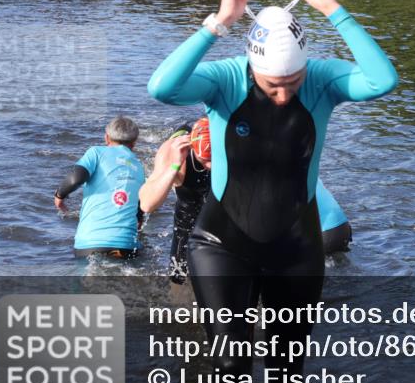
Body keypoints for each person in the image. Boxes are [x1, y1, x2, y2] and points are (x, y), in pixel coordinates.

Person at [147, 0, 397, 383]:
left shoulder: (322, 80)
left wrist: (332, 9)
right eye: (270, 85)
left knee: (288, 365)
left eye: (293, 82)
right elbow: (161, 87)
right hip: (221, 244)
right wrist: (219, 22)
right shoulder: (224, 81)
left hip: (295, 248)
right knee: (230, 362)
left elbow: (383, 80)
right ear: (251, 67)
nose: (283, 95)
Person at [140, 117, 354, 285]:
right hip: (190, 209)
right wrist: (174, 169)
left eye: (219, 161)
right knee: (179, 275)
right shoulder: (174, 152)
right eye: (206, 162)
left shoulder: (242, 146)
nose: (213, 168)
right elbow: (147, 204)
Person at [54, 116, 147, 259]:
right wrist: (139, 218)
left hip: (90, 243)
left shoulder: (96, 152)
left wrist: (60, 195)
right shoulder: (139, 167)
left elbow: (76, 178)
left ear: (107, 137)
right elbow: (140, 209)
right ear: (134, 143)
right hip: (127, 244)